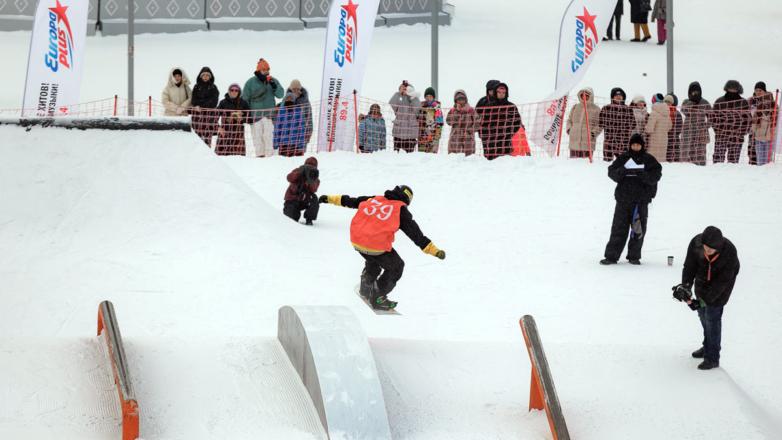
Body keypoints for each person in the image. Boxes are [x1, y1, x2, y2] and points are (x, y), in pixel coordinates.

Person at [318, 185, 445, 310]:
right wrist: (435, 251)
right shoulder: (400, 210)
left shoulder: (374, 199)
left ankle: (366, 283)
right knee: (396, 266)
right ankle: (378, 296)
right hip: (376, 246)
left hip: (356, 240)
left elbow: (350, 201)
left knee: (374, 258)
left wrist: (328, 198)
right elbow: (416, 234)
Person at [675, 226, 740, 370]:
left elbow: (722, 282)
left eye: (712, 247)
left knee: (712, 317)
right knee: (702, 315)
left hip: (722, 284)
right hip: (702, 279)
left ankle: (712, 357)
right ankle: (708, 345)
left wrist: (703, 301)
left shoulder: (729, 252)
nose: (707, 249)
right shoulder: (696, 243)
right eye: (706, 245)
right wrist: (686, 287)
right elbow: (689, 267)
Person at [601, 133, 662, 266]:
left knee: (638, 230)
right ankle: (611, 256)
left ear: (642, 146)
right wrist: (622, 171)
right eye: (633, 145)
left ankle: (634, 256)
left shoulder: (649, 159)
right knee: (618, 229)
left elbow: (656, 175)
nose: (635, 147)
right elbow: (611, 172)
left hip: (640, 202)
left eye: (638, 145)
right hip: (623, 200)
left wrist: (643, 175)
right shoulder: (623, 158)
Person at [244, 58, 284, 158]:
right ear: (258, 71)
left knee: (269, 137)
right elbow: (245, 99)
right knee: (257, 138)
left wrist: (274, 87)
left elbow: (281, 95)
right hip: (255, 115)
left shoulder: (273, 80)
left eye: (267, 69)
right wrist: (247, 115)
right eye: (264, 70)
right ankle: (260, 156)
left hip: (269, 115)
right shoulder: (250, 82)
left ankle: (270, 157)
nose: (266, 72)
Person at [712, 80, 751, 164]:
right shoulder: (719, 101)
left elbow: (748, 120)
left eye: (735, 89)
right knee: (718, 160)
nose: (732, 91)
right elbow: (713, 117)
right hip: (721, 136)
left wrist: (742, 132)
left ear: (738, 90)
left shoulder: (743, 103)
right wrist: (718, 131)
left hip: (737, 137)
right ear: (727, 89)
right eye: (730, 89)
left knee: (733, 162)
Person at [481, 83, 522, 160]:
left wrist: (509, 133)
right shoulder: (489, 106)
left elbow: (517, 122)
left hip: (505, 140)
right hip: (491, 140)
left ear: (506, 94)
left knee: (505, 163)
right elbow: (483, 123)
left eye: (503, 93)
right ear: (496, 93)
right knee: (490, 164)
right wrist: (485, 136)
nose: (501, 94)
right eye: (499, 92)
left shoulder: (511, 107)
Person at [599, 87, 634, 162]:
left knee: (623, 161)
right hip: (609, 139)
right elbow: (600, 122)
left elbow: (633, 124)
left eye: (620, 96)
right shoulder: (606, 108)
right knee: (607, 161)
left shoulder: (628, 109)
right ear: (612, 97)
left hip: (624, 140)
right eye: (616, 95)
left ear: (623, 97)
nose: (618, 97)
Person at [680, 82, 711, 166]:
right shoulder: (686, 102)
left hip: (701, 131)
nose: (695, 94)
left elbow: (712, 116)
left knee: (700, 151)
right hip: (688, 130)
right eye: (693, 92)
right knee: (686, 150)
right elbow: (683, 111)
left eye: (697, 92)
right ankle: (685, 167)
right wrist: (691, 102)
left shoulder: (705, 102)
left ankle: (700, 168)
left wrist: (706, 126)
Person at [215, 83, 251, 156]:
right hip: (225, 132)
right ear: (229, 91)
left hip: (239, 133)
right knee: (222, 157)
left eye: (236, 90)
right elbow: (214, 117)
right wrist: (218, 127)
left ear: (239, 92)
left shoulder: (244, 103)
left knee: (239, 158)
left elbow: (249, 119)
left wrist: (242, 119)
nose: (234, 92)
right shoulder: (223, 102)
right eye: (232, 90)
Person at [284, 157, 320, 226]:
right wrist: (299, 173)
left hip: (305, 200)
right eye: (308, 167)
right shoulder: (297, 171)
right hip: (292, 199)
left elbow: (314, 189)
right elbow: (289, 178)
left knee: (314, 200)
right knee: (290, 220)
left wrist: (310, 179)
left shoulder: (314, 176)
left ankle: (309, 219)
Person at [566, 87, 601, 159]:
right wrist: (570, 130)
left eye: (587, 95)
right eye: (583, 95)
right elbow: (569, 120)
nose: (585, 97)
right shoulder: (575, 107)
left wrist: (593, 133)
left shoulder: (596, 109)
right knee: (573, 163)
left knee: (585, 165)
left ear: (591, 96)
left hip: (588, 143)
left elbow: (599, 124)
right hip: (574, 141)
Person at [190, 67, 220, 147]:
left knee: (207, 140)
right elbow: (193, 101)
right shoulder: (196, 87)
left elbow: (214, 102)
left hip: (209, 117)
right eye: (204, 75)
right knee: (196, 140)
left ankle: (207, 157)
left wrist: (201, 105)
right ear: (200, 76)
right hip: (197, 117)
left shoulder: (214, 88)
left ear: (210, 76)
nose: (205, 77)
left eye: (207, 75)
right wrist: (202, 104)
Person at [389, 81, 422, 153]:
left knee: (409, 157)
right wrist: (398, 93)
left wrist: (412, 95)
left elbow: (419, 107)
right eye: (404, 90)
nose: (405, 92)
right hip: (398, 135)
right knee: (397, 155)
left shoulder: (414, 102)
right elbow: (392, 102)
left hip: (411, 136)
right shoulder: (399, 104)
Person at [446, 89, 479, 156]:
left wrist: (469, 131)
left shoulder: (471, 110)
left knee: (469, 160)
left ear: (466, 100)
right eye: (459, 100)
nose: (461, 102)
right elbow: (449, 121)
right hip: (455, 139)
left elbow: (477, 123)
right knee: (454, 159)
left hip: (469, 139)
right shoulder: (452, 111)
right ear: (455, 101)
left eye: (462, 100)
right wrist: (457, 112)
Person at [274, 92, 307, 157]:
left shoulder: (298, 112)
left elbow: (301, 130)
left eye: (291, 99)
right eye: (287, 99)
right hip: (283, 144)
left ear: (294, 100)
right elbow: (277, 128)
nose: (289, 100)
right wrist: (275, 143)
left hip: (294, 144)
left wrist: (301, 146)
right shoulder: (281, 111)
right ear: (285, 100)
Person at [645, 93, 672, 162]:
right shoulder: (667, 113)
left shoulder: (654, 113)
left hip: (654, 141)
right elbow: (670, 127)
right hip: (664, 140)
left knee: (652, 161)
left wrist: (645, 128)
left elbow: (649, 129)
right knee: (662, 162)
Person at [752, 91, 776, 166]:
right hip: (759, 138)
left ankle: (768, 172)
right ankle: (760, 172)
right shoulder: (758, 109)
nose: (766, 102)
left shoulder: (776, 109)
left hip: (770, 138)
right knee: (760, 158)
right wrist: (754, 130)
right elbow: (754, 121)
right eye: (764, 100)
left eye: (768, 100)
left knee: (768, 159)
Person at [418, 87, 444, 153]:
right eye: (426, 96)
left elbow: (440, 122)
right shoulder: (421, 106)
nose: (428, 98)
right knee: (421, 154)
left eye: (430, 96)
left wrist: (438, 134)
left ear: (433, 97)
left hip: (433, 135)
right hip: (422, 135)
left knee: (432, 155)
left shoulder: (436, 108)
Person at [288, 79, 313, 146]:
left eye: (298, 89)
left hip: (302, 129)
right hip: (289, 129)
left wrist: (310, 130)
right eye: (294, 89)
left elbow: (309, 116)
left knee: (301, 151)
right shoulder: (287, 100)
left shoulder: (305, 101)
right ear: (291, 89)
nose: (296, 91)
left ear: (300, 89)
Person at [664, 94, 683, 162]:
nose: (667, 104)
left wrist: (671, 132)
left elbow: (679, 127)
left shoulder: (677, 114)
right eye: (665, 102)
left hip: (674, 140)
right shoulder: (662, 112)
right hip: (663, 139)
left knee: (675, 158)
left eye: (669, 102)